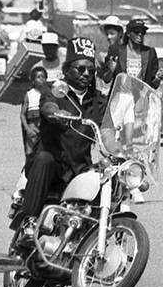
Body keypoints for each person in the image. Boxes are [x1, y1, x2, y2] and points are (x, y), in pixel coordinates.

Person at [15, 38, 107, 254]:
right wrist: (55, 113)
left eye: (90, 70)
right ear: (67, 69)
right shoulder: (54, 88)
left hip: (80, 166)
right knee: (44, 158)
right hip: (53, 163)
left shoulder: (98, 100)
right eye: (81, 68)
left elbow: (110, 126)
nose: (86, 74)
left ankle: (97, 237)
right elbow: (47, 104)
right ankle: (29, 222)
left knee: (110, 178)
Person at [103, 19, 163, 89]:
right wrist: (111, 71)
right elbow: (106, 79)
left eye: (142, 32)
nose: (140, 34)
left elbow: (153, 86)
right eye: (136, 31)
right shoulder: (115, 50)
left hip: (141, 97)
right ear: (128, 33)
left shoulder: (150, 52)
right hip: (121, 96)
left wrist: (158, 78)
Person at [20, 65, 48, 173]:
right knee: (30, 153)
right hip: (32, 127)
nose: (41, 79)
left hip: (44, 128)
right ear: (33, 80)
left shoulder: (48, 94)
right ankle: (27, 176)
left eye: (43, 77)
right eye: (38, 77)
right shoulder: (29, 94)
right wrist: (27, 129)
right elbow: (22, 114)